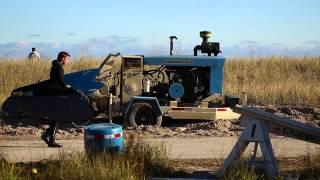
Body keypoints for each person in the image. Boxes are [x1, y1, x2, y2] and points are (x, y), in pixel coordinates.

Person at [41, 51, 71, 147]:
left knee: (56, 117)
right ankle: (51, 141)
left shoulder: (55, 66)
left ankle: (47, 136)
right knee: (57, 117)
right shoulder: (59, 67)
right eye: (67, 59)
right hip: (56, 94)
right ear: (63, 58)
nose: (68, 61)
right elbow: (61, 82)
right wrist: (69, 88)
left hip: (53, 93)